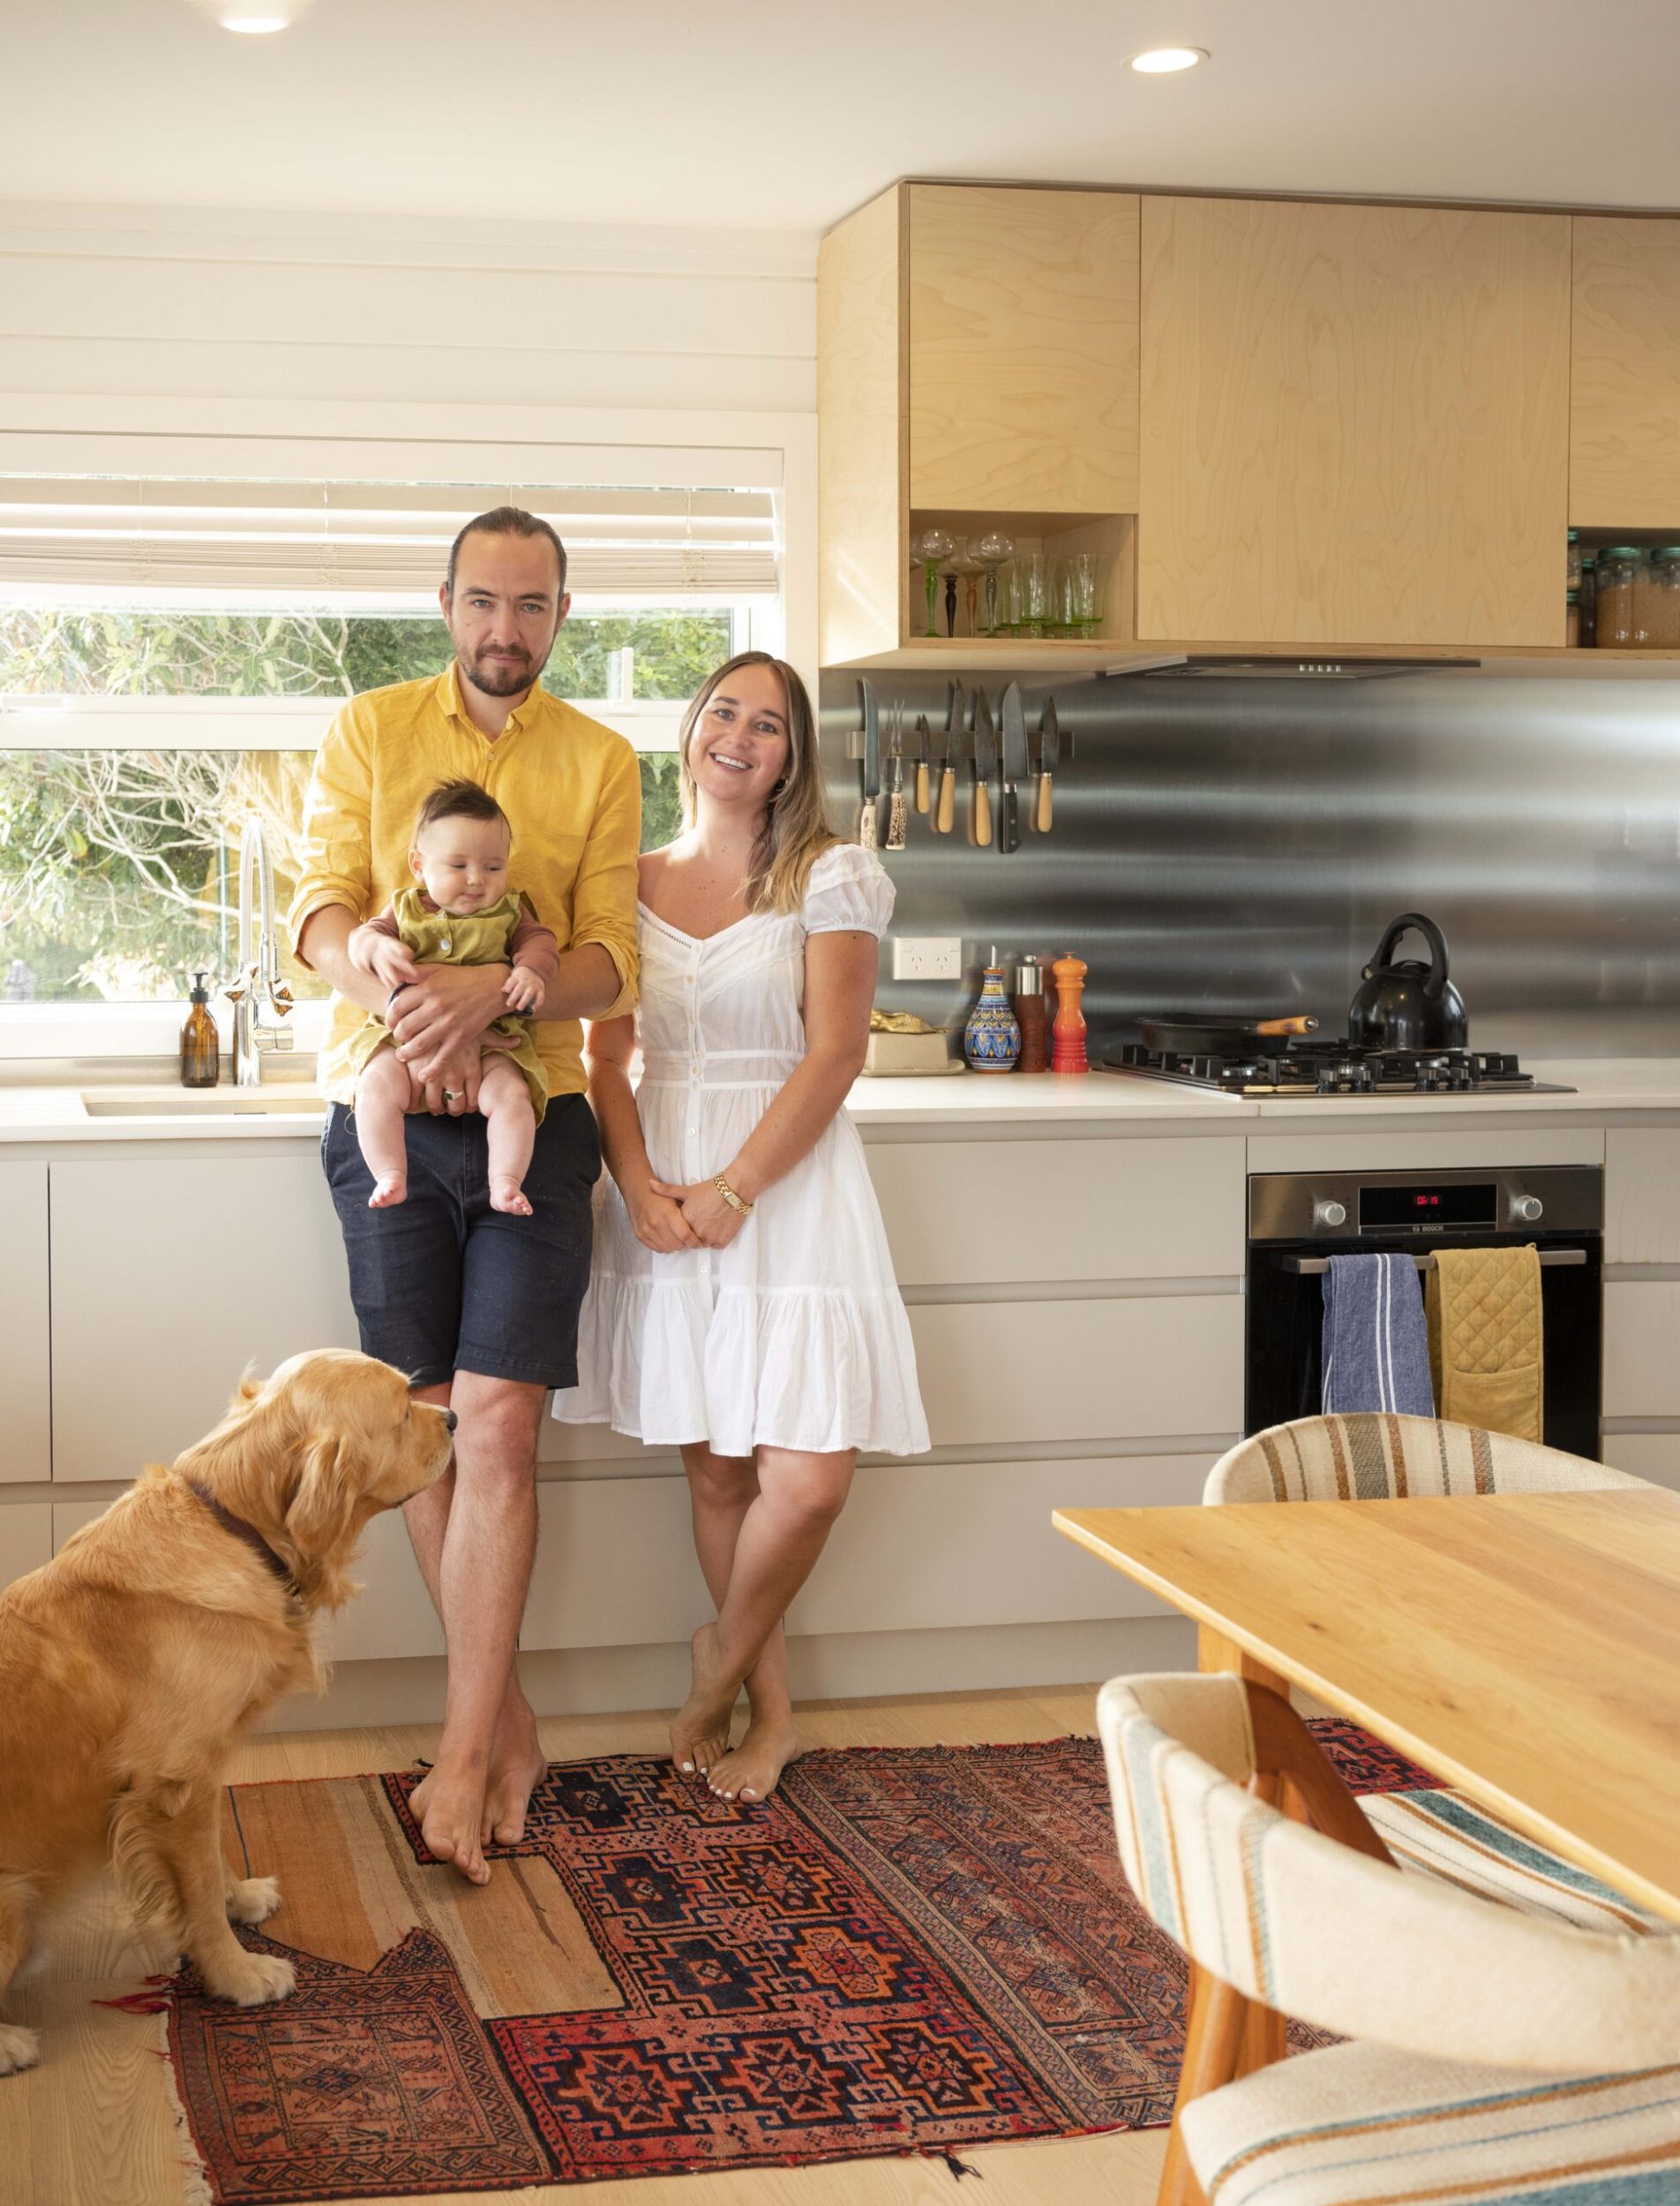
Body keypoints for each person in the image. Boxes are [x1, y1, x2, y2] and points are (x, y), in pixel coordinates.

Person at [290, 506, 640, 1886]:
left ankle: (455, 1753)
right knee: (422, 1425)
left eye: (535, 605)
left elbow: (610, 958)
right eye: (486, 602)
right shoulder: (370, 730)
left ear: (562, 614)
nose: (509, 629)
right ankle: (505, 1725)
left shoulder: (601, 759)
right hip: (381, 1107)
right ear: (447, 605)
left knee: (498, 1426)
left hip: (530, 1116)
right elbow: (318, 910)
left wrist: (504, 993)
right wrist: (408, 995)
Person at [554, 650, 929, 1805]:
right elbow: (605, 1058)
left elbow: (837, 1052)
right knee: (717, 1476)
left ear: (791, 759)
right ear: (689, 731)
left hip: (789, 1184)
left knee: (806, 1480)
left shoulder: (832, 876)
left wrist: (734, 1190)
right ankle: (771, 1719)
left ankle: (716, 1656)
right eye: (724, 712)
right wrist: (645, 1184)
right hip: (661, 1181)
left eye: (768, 724)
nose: (740, 735)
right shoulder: (622, 881)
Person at [346, 779, 557, 1216]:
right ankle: (389, 1172)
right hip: (405, 1045)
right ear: (419, 865)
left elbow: (539, 941)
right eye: (458, 866)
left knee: (513, 1098)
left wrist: (531, 970)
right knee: (374, 1087)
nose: (477, 880)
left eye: (494, 867)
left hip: (494, 1043)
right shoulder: (403, 908)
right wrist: (377, 948)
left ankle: (506, 1181)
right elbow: (361, 938)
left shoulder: (511, 910)